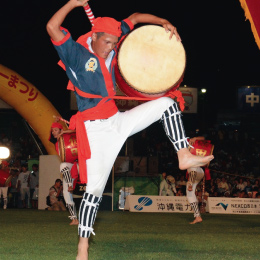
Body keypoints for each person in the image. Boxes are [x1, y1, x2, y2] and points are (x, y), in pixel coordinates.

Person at [46, 1, 214, 258]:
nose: (112, 48)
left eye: (115, 43)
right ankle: (83, 245)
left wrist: (163, 23)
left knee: (167, 104)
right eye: (108, 43)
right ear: (95, 36)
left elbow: (135, 17)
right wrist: (72, 3)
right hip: (96, 132)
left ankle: (183, 154)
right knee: (93, 192)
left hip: (117, 120)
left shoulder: (111, 37)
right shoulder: (75, 54)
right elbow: (52, 26)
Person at [49, 122, 79, 225]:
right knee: (66, 196)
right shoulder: (57, 144)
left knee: (62, 166)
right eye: (52, 130)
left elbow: (78, 130)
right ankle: (74, 219)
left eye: (55, 130)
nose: (53, 132)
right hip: (69, 169)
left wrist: (64, 132)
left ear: (61, 130)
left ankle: (70, 185)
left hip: (76, 165)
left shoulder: (68, 136)